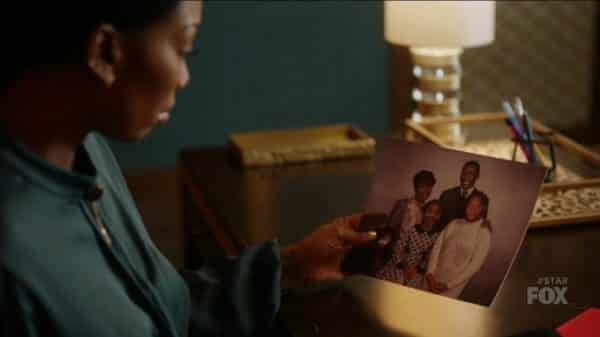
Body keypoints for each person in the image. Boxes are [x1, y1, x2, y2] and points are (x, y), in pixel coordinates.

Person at [0, 2, 376, 337]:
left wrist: (289, 267)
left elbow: (153, 310)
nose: (184, 77)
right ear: (103, 51)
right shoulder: (14, 261)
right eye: (183, 48)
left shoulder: (86, 151)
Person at [424, 192, 492, 299]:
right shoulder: (454, 223)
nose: (471, 209)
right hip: (431, 279)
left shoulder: (483, 231)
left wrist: (448, 285)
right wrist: (429, 274)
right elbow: (437, 249)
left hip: (451, 287)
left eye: (477, 206)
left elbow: (475, 266)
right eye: (470, 204)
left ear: (482, 209)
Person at [375, 200, 443, 289]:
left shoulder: (437, 236)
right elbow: (398, 248)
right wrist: (403, 265)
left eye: (436, 213)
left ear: (440, 216)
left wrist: (417, 269)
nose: (432, 215)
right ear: (424, 212)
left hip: (417, 272)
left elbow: (429, 258)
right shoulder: (412, 229)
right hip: (399, 265)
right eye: (429, 211)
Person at [438, 160, 489, 228]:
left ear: (477, 176)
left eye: (471, 173)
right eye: (464, 172)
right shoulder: (446, 195)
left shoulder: (482, 200)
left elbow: (480, 225)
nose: (466, 176)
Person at [386, 170, 436, 236]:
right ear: (416, 187)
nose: (426, 190)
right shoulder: (403, 204)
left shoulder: (427, 210)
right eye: (422, 186)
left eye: (429, 186)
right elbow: (390, 228)